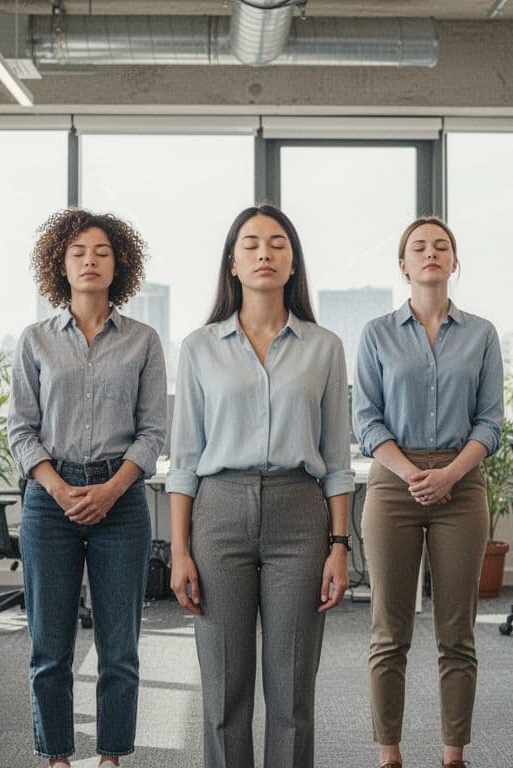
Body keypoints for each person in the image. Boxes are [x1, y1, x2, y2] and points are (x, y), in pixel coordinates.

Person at [167, 204, 354, 768]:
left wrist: (339, 547)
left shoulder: (324, 347)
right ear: (232, 263)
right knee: (224, 688)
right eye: (250, 244)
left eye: (277, 244)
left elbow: (338, 460)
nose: (264, 254)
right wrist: (179, 550)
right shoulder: (199, 347)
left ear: (293, 263)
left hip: (300, 514)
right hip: (219, 513)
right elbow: (184, 458)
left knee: (292, 688)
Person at [8, 209, 168, 768]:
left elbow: (152, 432)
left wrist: (110, 490)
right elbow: (21, 431)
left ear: (118, 263)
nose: (90, 261)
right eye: (78, 252)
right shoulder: (35, 341)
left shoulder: (144, 341)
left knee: (118, 649)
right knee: (49, 648)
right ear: (61, 264)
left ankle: (111, 758)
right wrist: (58, 489)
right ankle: (56, 757)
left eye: (101, 251)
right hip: (49, 503)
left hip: (120, 502)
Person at [353, 215, 503, 768]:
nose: (431, 252)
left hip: (461, 487)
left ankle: (452, 754)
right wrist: (411, 471)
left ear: (455, 261)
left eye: (442, 245)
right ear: (403, 264)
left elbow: (490, 422)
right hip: (394, 485)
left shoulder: (481, 334)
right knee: (389, 630)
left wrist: (449, 474)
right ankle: (388, 753)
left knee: (456, 632)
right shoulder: (376, 334)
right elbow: (366, 421)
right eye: (419, 246)